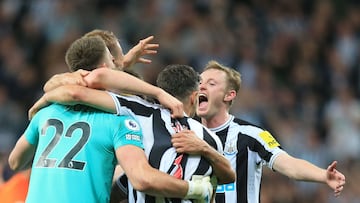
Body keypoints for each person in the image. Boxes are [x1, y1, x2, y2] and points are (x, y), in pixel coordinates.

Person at [8, 36, 213, 203]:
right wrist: (194, 189)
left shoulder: (46, 113)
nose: (119, 65)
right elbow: (141, 178)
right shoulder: (119, 122)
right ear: (106, 66)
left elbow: (15, 161)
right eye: (115, 62)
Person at [29, 64, 236, 203]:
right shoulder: (210, 138)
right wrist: (206, 150)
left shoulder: (136, 111)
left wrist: (45, 100)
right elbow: (228, 177)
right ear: (194, 97)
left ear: (162, 88)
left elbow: (78, 90)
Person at [190, 60, 346, 203]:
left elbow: (288, 164)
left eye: (211, 84)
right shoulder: (185, 135)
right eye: (200, 83)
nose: (201, 87)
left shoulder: (252, 135)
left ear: (229, 95)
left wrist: (323, 175)